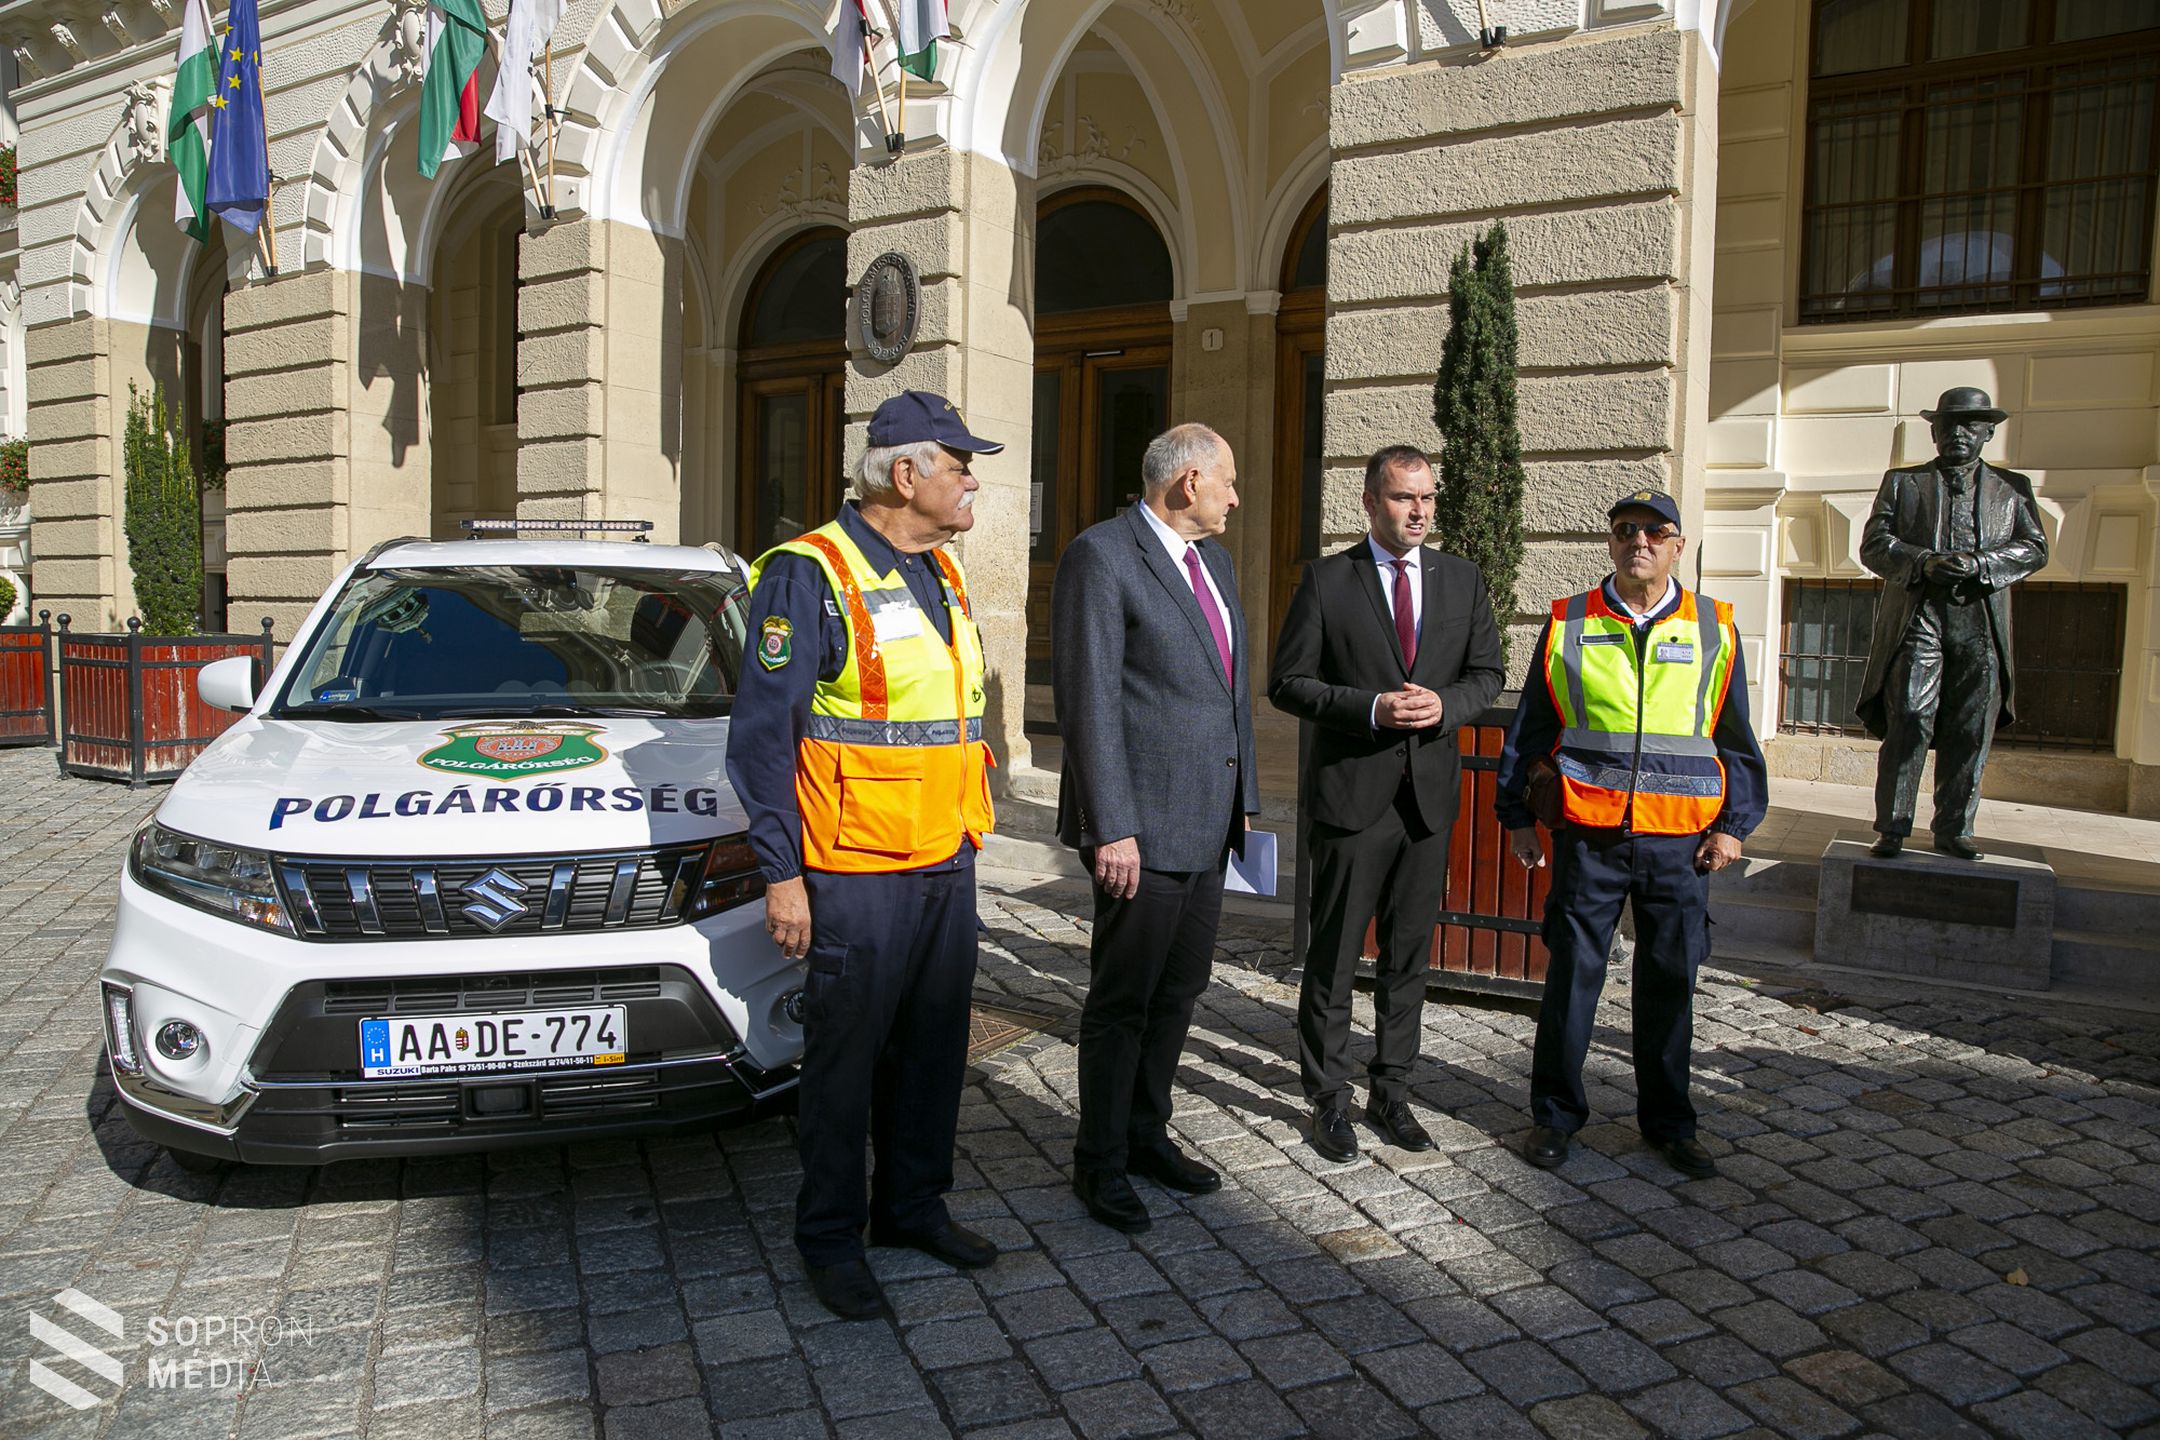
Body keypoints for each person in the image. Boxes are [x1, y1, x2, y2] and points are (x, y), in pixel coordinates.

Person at [726, 390, 1001, 1319]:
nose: (972, 481)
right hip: (852, 869)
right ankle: (832, 1239)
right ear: (906, 473)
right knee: (844, 1063)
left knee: (933, 1049)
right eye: (960, 465)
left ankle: (913, 1208)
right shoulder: (808, 574)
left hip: (944, 857)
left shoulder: (943, 572)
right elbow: (761, 741)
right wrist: (781, 875)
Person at [1494, 488, 1766, 1180]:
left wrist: (1735, 828)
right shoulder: (1567, 622)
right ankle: (1554, 1117)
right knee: (1573, 982)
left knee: (1669, 983)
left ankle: (1670, 1123)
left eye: (1654, 530)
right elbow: (1531, 729)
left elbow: (1734, 739)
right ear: (1610, 543)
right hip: (1591, 837)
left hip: (1681, 842)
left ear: (1678, 544)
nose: (1637, 541)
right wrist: (1518, 815)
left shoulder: (1714, 626)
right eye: (1623, 531)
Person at [1268, 445, 1504, 1162]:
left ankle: (1393, 1091)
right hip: (1351, 799)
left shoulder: (1461, 581)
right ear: (1371, 503)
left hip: (1427, 801)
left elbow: (1487, 673)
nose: (1420, 512)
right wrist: (1370, 709)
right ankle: (1328, 1099)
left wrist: (1446, 705)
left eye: (1428, 498)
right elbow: (1288, 683)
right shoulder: (1328, 581)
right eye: (1405, 498)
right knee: (1334, 958)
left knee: (1408, 958)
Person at [1052, 422, 1259, 1234]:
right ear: (1189, 482)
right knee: (1123, 999)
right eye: (1230, 482)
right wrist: (1112, 826)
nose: (1237, 497)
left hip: (1207, 821)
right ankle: (1098, 1162)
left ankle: (1146, 1134)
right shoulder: (1101, 556)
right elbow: (1090, 700)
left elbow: (1226, 685)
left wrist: (1241, 794)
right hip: (1139, 827)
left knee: (1180, 991)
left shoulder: (1216, 560)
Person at [1855, 387, 2047, 861]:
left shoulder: (2012, 488)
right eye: (1948, 425)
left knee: (1970, 726)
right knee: (1911, 717)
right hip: (1920, 616)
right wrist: (1922, 562)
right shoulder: (1903, 483)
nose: (1957, 433)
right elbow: (1875, 545)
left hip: (1979, 618)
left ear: (1987, 433)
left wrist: (1981, 564)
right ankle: (1893, 826)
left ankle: (1954, 828)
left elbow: (2034, 547)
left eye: (1969, 425)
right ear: (1934, 432)